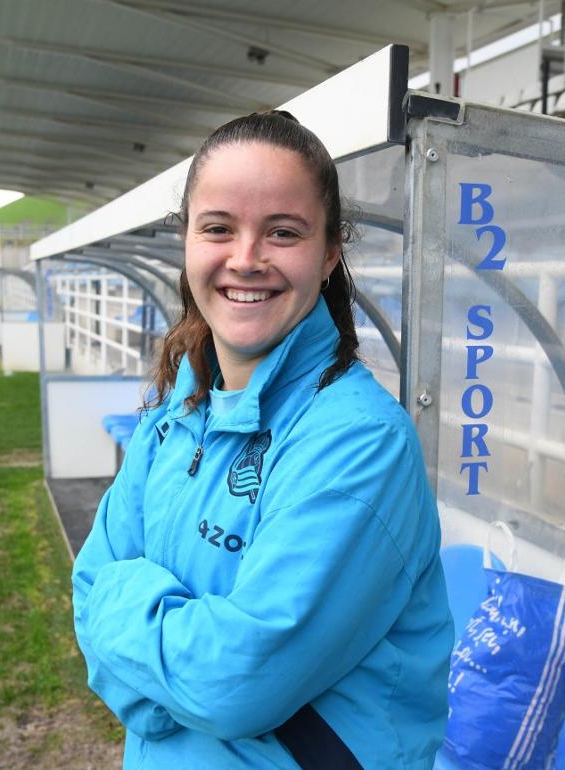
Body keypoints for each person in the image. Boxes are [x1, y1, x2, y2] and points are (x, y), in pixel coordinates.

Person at [72, 110, 453, 769]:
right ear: (187, 241)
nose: (246, 259)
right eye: (219, 228)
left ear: (329, 253)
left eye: (283, 232)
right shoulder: (178, 412)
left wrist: (150, 672)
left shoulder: (359, 441)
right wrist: (167, 697)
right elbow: (87, 587)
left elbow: (231, 685)